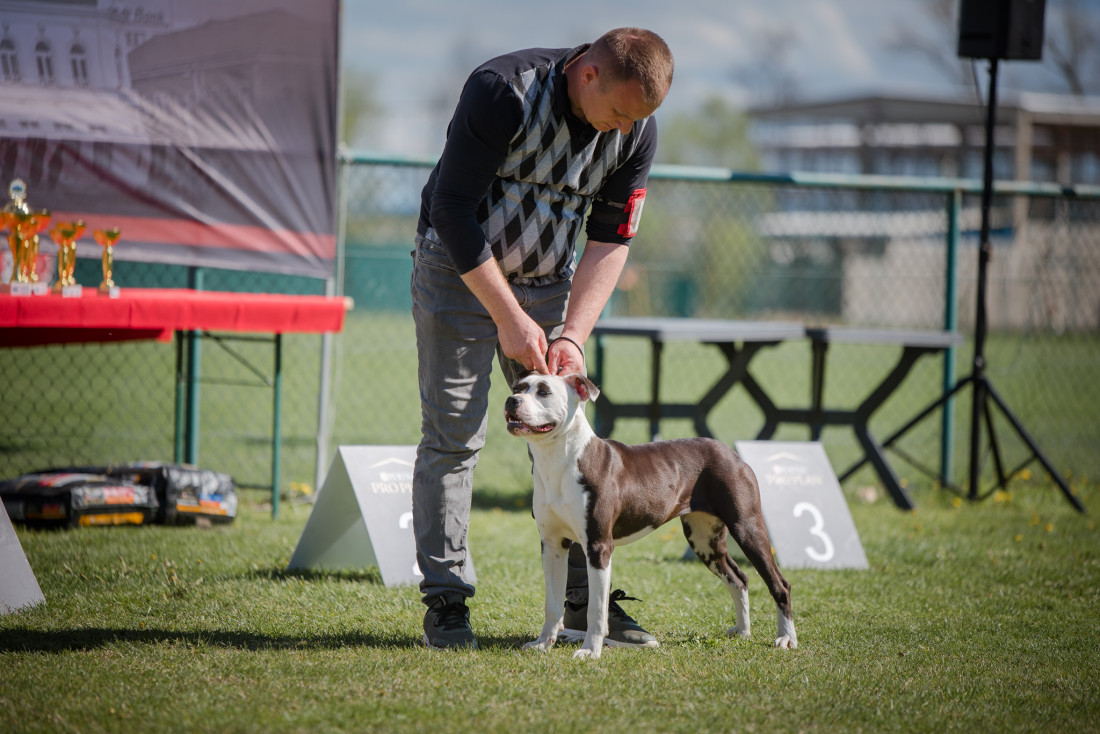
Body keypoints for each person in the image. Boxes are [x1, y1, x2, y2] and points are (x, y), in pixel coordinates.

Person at [411, 27, 674, 649]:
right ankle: (447, 604)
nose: (618, 130)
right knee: (453, 435)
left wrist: (574, 335)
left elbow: (612, 237)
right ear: (587, 74)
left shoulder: (636, 127)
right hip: (458, 271)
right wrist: (507, 316)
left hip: (551, 280)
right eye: (614, 113)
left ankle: (586, 604)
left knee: (573, 431)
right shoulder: (501, 91)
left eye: (631, 121)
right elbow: (451, 208)